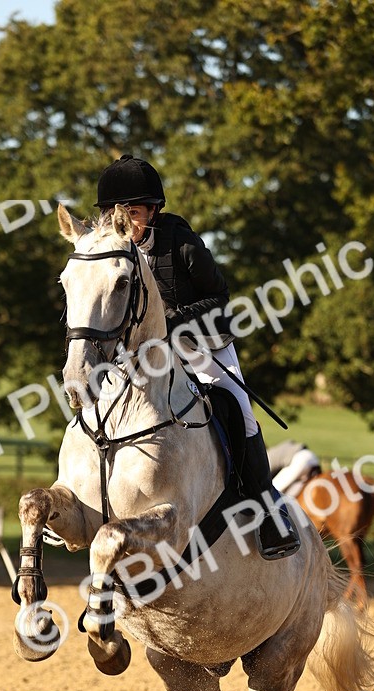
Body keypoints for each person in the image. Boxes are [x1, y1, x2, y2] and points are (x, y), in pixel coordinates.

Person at [94, 154, 300, 560]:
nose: (124, 223)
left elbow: (219, 298)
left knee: (239, 412)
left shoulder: (182, 243)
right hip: (148, 354)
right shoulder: (112, 251)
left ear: (154, 210)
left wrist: (175, 322)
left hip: (202, 346)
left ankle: (269, 509)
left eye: (132, 212)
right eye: (115, 214)